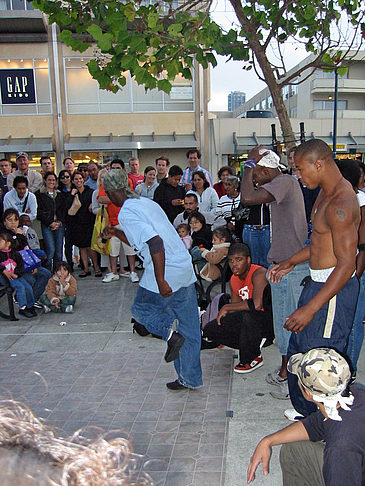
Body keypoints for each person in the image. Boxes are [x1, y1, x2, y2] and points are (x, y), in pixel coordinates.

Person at [268, 139, 359, 419]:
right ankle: (309, 415)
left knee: (323, 360)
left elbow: (346, 265)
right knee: (300, 350)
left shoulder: (342, 202)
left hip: (333, 290)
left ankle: (324, 421)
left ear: (318, 164)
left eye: (300, 169)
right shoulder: (323, 194)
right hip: (317, 282)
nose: (298, 175)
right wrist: (291, 260)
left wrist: (310, 308)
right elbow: (320, 244)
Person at [102, 169, 202, 390]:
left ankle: (169, 335)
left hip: (165, 269)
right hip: (183, 266)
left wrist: (160, 280)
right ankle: (190, 379)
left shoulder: (126, 212)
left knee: (141, 311)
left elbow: (155, 242)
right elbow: (145, 238)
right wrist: (117, 233)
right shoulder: (147, 203)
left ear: (111, 192)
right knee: (190, 327)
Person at [241, 146, 308, 400]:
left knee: (288, 324)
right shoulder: (282, 183)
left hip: (289, 266)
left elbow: (247, 197)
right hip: (283, 265)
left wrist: (248, 163)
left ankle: (292, 381)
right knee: (283, 323)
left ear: (267, 169)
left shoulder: (284, 181)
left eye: (257, 173)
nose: (254, 179)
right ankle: (284, 372)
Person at [248, 348, 365, 486]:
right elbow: (313, 426)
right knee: (294, 449)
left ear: (308, 393)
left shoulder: (340, 450)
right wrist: (267, 441)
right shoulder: (355, 394)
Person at [203, 242, 270, 373]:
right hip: (247, 322)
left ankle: (252, 357)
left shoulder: (259, 273)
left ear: (248, 260)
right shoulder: (234, 278)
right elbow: (235, 308)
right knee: (210, 330)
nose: (234, 264)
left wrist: (226, 307)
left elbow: (257, 305)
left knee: (248, 315)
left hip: (266, 320)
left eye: (239, 260)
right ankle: (251, 342)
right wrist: (224, 329)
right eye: (231, 261)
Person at [336, 159, 365, 376]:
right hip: (339, 269)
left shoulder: (359, 199)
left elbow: (362, 244)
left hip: (353, 270)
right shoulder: (334, 197)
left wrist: (356, 274)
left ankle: (350, 370)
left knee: (353, 321)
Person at [97, 159, 138, 283]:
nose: (115, 170)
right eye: (113, 168)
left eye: (118, 168)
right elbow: (101, 198)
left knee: (130, 249)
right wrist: (116, 197)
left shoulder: (128, 181)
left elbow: (130, 198)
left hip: (127, 222)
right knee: (113, 250)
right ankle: (113, 272)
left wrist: (113, 197)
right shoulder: (107, 182)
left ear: (123, 170)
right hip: (112, 222)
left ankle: (132, 272)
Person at [1, 208, 51, 308]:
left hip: (26, 264)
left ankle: (32, 299)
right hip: (14, 269)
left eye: (15, 220)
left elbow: (26, 249)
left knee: (46, 273)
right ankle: (27, 302)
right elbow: (12, 251)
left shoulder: (21, 232)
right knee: (30, 280)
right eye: (9, 220)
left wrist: (33, 265)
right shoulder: (3, 236)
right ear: (4, 222)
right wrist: (17, 236)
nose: (13, 223)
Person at [67, 171, 102, 278]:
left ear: (84, 179)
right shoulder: (72, 193)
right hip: (77, 223)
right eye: (76, 179)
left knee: (91, 247)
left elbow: (96, 202)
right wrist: (71, 195)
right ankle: (86, 269)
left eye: (80, 178)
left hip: (89, 222)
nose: (78, 181)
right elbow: (67, 206)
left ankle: (96, 268)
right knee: (82, 247)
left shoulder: (90, 191)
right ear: (73, 181)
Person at [0, 230, 36, 318]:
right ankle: (22, 307)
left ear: (8, 243)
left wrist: (17, 274)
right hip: (4, 277)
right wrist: (4, 270)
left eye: (1, 241)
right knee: (20, 287)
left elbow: (20, 266)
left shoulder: (15, 254)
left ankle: (30, 306)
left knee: (27, 286)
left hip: (15, 276)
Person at [35, 172, 66, 270]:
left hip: (59, 224)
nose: (51, 182)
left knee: (59, 250)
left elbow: (63, 210)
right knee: (51, 250)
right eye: (49, 180)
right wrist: (50, 222)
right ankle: (48, 270)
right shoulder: (39, 194)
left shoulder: (59, 194)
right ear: (45, 181)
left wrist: (59, 222)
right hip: (47, 225)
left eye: (53, 180)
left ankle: (58, 271)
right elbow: (38, 211)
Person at [215, 175, 242, 240]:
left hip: (241, 229)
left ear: (236, 186)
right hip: (226, 231)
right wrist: (227, 223)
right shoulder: (222, 199)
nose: (227, 187)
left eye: (229, 185)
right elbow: (218, 215)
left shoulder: (242, 197)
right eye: (226, 185)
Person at [58, 169, 74, 270]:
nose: (65, 179)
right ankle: (69, 263)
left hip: (76, 219)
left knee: (78, 242)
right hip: (64, 220)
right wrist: (71, 195)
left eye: (67, 177)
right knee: (67, 243)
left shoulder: (75, 188)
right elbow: (63, 206)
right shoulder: (59, 191)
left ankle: (82, 262)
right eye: (63, 177)